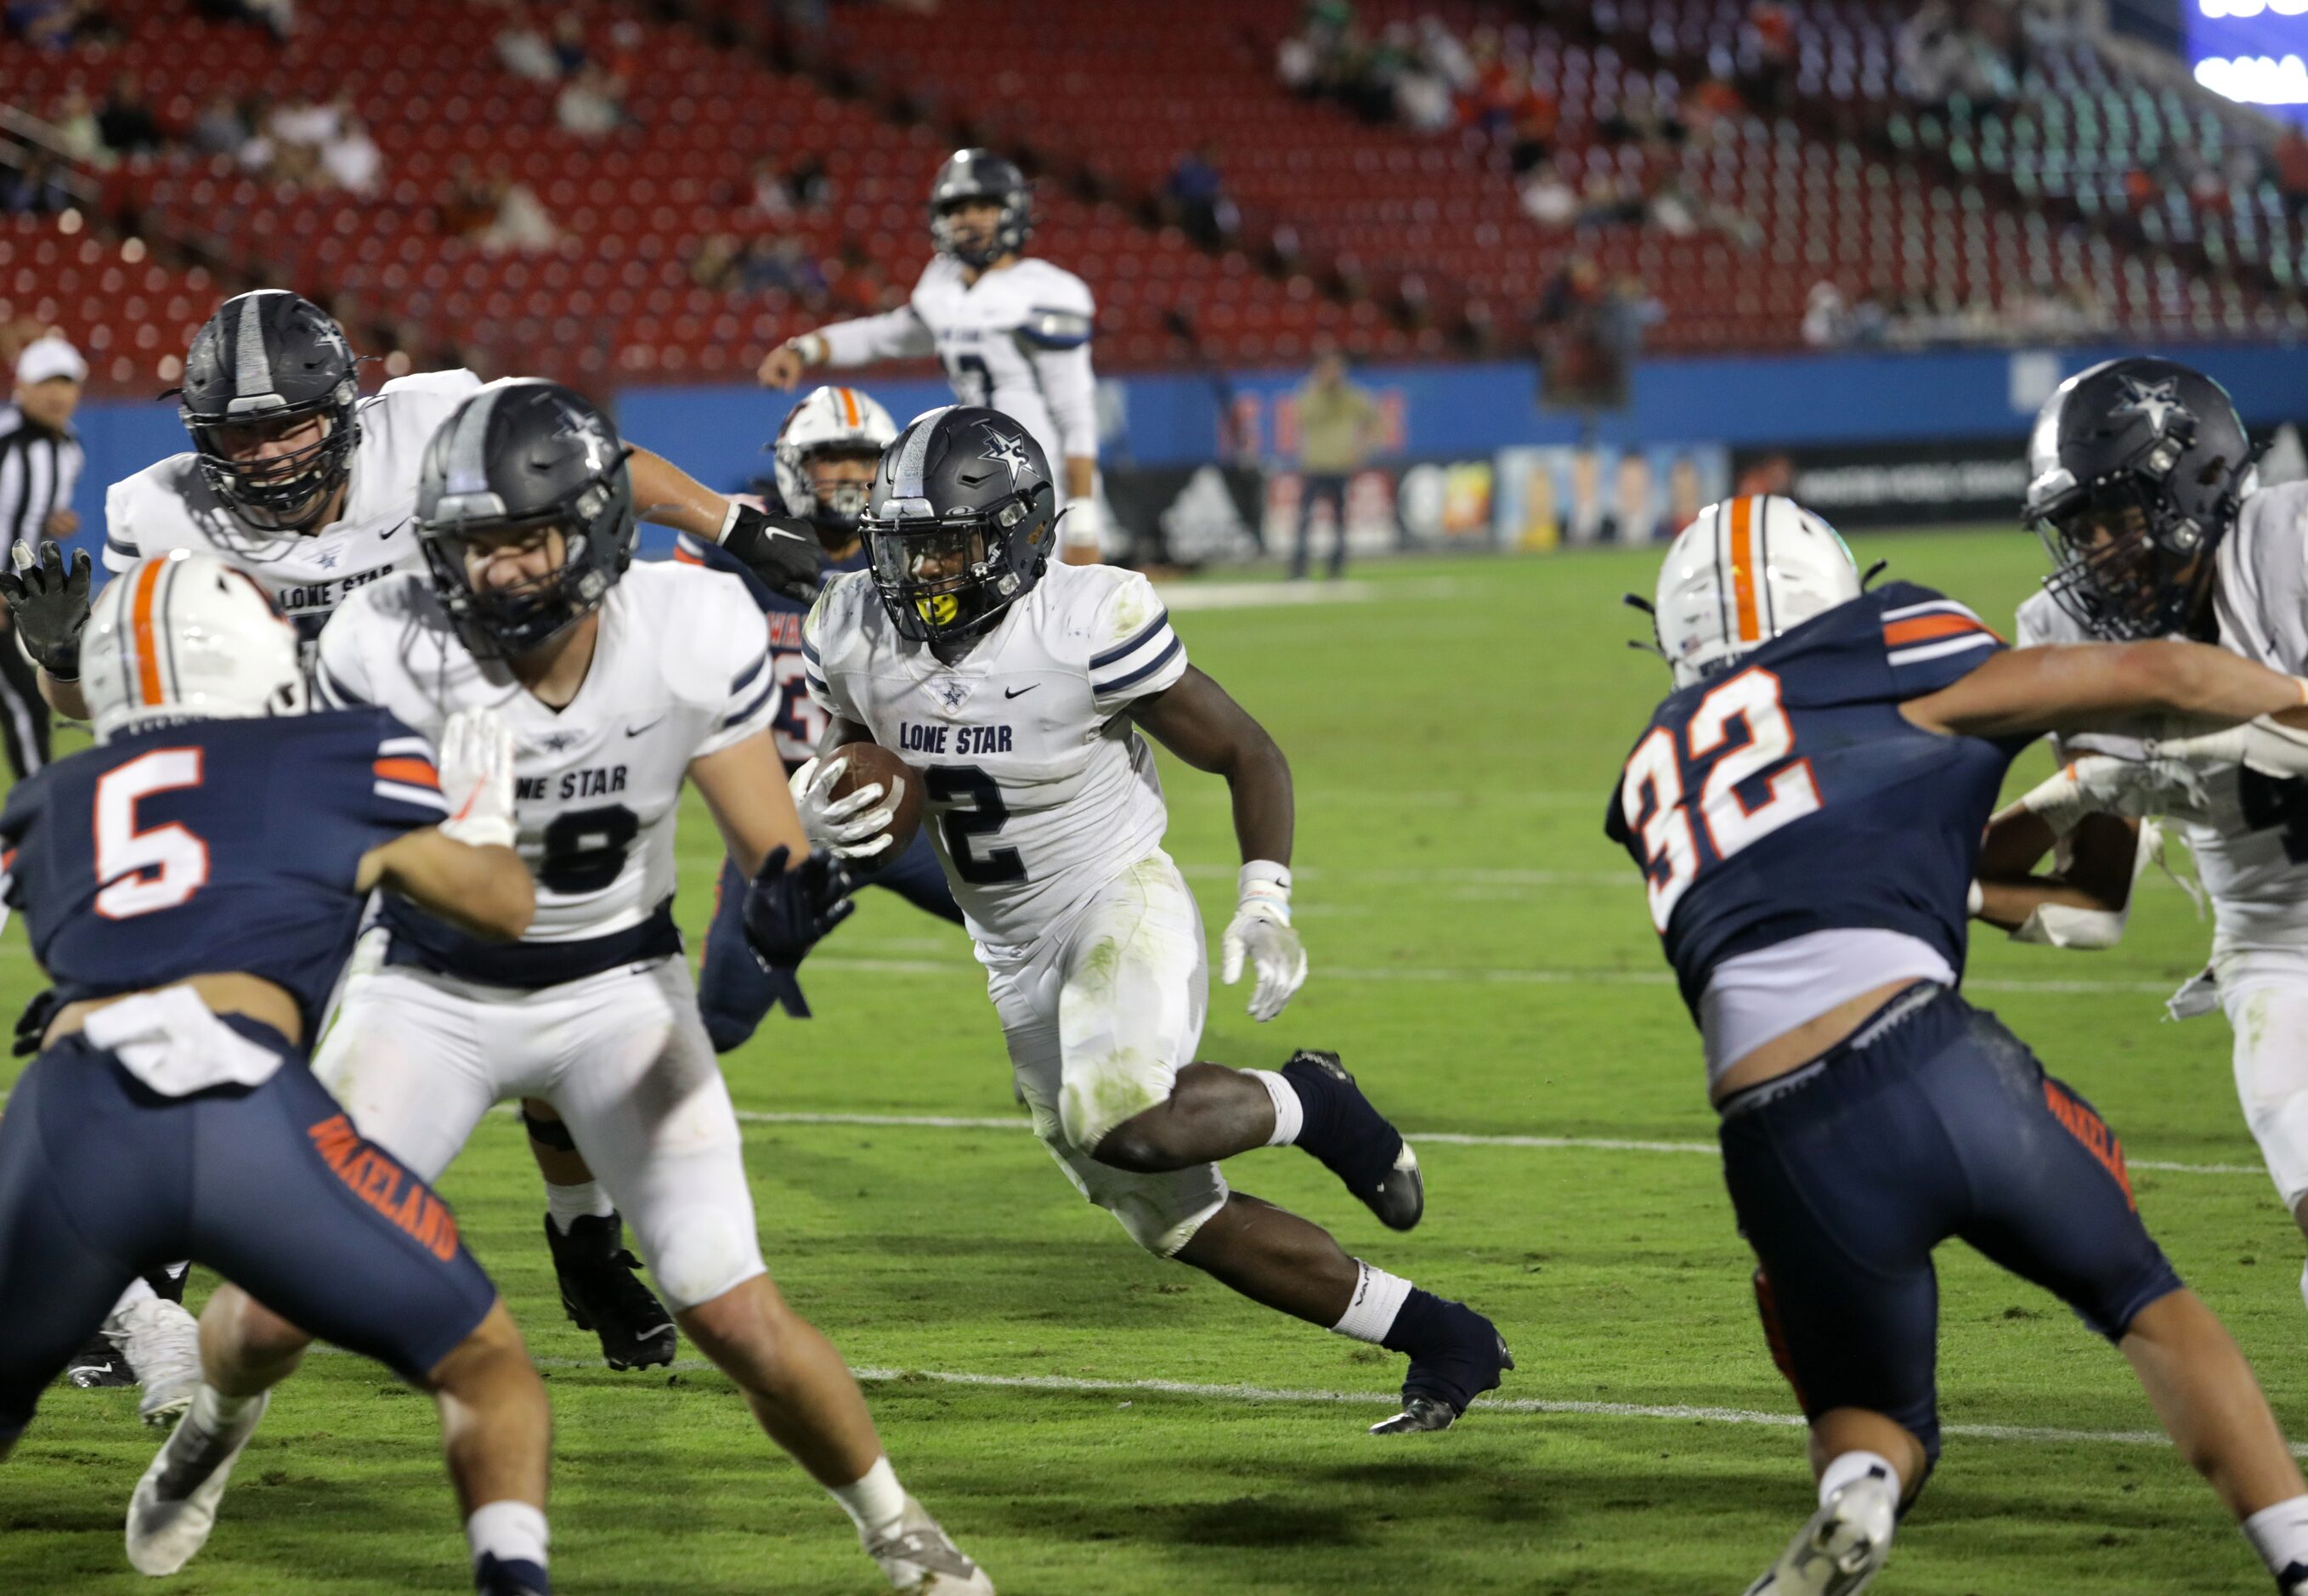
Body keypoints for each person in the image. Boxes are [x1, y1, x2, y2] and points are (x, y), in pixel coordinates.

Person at [0, 288, 828, 1385]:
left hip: (471, 750)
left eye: (290, 420)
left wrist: (733, 521)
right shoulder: (157, 511)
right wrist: (57, 657)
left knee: (547, 999)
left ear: (346, 407)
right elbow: (109, 698)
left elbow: (583, 456)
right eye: (240, 431)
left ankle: (585, 1242)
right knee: (230, 1026)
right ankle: (150, 1292)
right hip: (289, 794)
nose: (268, 450)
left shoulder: (427, 421)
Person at [296, 379, 993, 1594]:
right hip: (437, 983)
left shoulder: (691, 615)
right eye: (481, 543)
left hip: (634, 962)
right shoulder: (389, 638)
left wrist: (787, 867)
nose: (506, 570)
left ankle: (899, 1527)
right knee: (275, 1296)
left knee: (731, 1295)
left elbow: (766, 801)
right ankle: (209, 1432)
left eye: (529, 538)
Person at [1610, 494, 2308, 1593]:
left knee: (1873, 1413)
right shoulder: (1886, 642)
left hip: (1775, 1142)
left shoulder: (1656, 764)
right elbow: (2163, 677)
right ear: (1827, 593)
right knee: (2144, 1298)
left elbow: (1859, 861)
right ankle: (2298, 1551)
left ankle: (1859, 1496)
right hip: (1928, 1062)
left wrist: (2038, 827)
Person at [800, 406, 1510, 1434]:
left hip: (1113, 895)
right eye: (907, 547)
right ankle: (1442, 1333)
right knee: (1176, 1219)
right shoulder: (850, 627)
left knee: (1122, 1119)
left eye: (951, 544)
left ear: (1018, 536)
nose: (923, 573)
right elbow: (857, 760)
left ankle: (1311, 1100)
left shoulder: (1087, 621)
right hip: (1009, 946)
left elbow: (1246, 751)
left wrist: (1265, 898)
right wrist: (818, 803)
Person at [0, 551, 557, 1596]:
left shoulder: (53, 798)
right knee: (486, 1369)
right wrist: (482, 823)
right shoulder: (339, 753)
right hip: (242, 1107)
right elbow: (501, 908)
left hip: (73, 1111)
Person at [1973, 358, 2308, 1317]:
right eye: (2075, 527)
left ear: (2195, 478)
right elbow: (2088, 907)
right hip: (2272, 952)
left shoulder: (2288, 543)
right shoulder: (2066, 633)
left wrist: (2227, 738)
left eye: (2114, 515)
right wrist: (1953, 883)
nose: (2096, 550)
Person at [674, 384, 964, 1053]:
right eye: (832, 459)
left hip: (901, 799)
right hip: (779, 819)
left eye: (866, 460)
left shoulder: (916, 546)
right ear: (793, 465)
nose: (853, 477)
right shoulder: (735, 541)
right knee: (721, 1020)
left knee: (1034, 923)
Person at [758, 149, 1106, 565]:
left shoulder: (1045, 291)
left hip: (1041, 479)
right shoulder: (943, 286)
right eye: (958, 209)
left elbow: (1075, 414)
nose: (969, 219)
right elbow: (884, 336)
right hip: (978, 478)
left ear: (1011, 211)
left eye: (983, 206)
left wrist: (1083, 516)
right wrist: (807, 347)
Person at [0, 334, 82, 779]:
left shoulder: (69, 449)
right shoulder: (6, 442)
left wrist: (52, 522)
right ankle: (38, 816)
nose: (57, 394)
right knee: (24, 703)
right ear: (22, 388)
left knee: (26, 703)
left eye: (66, 382)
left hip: (13, 602)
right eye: (45, 382)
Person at [1291, 348, 1381, 580]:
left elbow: (1375, 421)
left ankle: (1336, 570)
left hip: (1340, 466)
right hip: (1314, 464)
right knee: (1304, 520)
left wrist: (1361, 450)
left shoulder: (1351, 396)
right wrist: (1320, 388)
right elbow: (1301, 415)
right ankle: (1299, 569)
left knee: (1339, 522)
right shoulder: (1310, 394)